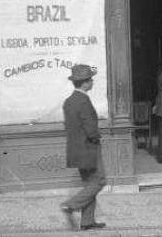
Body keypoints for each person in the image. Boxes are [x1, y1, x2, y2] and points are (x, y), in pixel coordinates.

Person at [61, 64, 106, 231]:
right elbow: (91, 129)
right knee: (100, 180)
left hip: (75, 150)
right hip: (88, 149)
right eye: (90, 79)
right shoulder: (84, 101)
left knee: (90, 184)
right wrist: (96, 138)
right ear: (85, 83)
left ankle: (87, 221)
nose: (92, 81)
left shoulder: (68, 101)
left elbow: (68, 126)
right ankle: (70, 206)